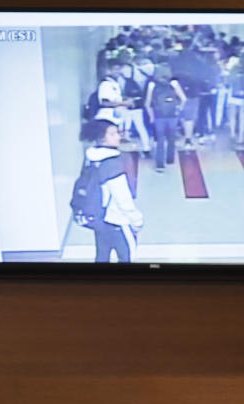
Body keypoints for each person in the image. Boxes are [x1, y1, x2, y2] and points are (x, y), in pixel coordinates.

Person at [79, 119, 144, 262]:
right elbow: (123, 200)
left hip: (99, 219)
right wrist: (137, 221)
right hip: (118, 221)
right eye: (113, 134)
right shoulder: (112, 165)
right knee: (128, 258)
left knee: (102, 257)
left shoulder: (91, 158)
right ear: (102, 138)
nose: (118, 137)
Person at [144, 63, 186, 173]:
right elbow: (184, 99)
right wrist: (178, 109)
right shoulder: (174, 83)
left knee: (160, 139)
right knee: (171, 138)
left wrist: (151, 116)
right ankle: (170, 158)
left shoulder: (152, 85)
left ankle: (160, 164)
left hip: (158, 115)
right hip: (172, 115)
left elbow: (147, 103)